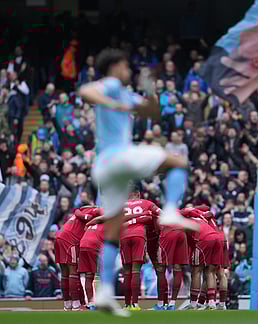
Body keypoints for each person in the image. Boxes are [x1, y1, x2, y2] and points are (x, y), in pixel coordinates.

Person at [78, 48, 199, 316]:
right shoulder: (110, 85)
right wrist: (116, 105)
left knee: (112, 231)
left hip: (106, 168)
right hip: (117, 156)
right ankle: (169, 211)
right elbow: (85, 92)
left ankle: (107, 295)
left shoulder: (123, 92)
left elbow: (152, 111)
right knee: (178, 161)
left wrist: (149, 89)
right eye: (125, 66)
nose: (128, 71)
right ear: (115, 67)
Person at [55, 207, 100, 311]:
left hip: (59, 236)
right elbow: (98, 213)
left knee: (64, 273)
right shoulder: (96, 211)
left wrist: (85, 216)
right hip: (70, 240)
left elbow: (77, 211)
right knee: (73, 272)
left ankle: (67, 303)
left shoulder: (81, 212)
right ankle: (75, 304)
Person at [120, 186, 155, 311]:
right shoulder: (146, 203)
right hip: (139, 236)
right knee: (136, 270)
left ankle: (126, 304)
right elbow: (156, 214)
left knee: (126, 272)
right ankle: (135, 304)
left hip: (124, 236)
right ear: (138, 193)